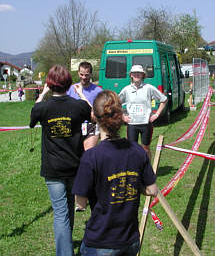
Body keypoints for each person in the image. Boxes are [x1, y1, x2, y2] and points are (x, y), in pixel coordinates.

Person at [72, 90, 158, 256]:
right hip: (130, 239)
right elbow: (152, 190)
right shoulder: (138, 151)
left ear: (94, 117)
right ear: (120, 116)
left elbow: (80, 204)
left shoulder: (91, 157)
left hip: (100, 241)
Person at [29, 65, 91, 256]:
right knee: (67, 209)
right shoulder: (77, 105)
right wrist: (80, 93)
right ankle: (66, 246)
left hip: (53, 168)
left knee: (61, 212)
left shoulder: (43, 107)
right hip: (74, 165)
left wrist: (43, 93)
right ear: (69, 84)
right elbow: (90, 111)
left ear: (49, 84)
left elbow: (33, 116)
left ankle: (64, 251)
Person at [119, 65, 167, 160]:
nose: (137, 75)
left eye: (139, 73)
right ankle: (135, 169)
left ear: (142, 75)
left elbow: (164, 100)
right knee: (132, 149)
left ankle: (147, 170)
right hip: (132, 123)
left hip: (146, 123)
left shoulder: (149, 88)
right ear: (131, 75)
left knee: (145, 148)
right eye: (134, 73)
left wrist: (157, 114)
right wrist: (123, 117)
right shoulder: (126, 89)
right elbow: (116, 104)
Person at [67, 62, 102, 150]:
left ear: (91, 74)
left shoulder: (98, 91)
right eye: (81, 74)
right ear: (78, 73)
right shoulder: (71, 89)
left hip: (91, 126)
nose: (84, 77)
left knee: (88, 154)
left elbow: (100, 111)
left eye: (86, 75)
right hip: (75, 126)